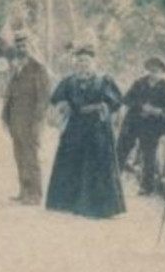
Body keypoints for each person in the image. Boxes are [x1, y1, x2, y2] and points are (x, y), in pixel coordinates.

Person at [45, 45, 126, 219]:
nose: (83, 65)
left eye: (87, 62)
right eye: (80, 61)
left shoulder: (104, 80)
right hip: (75, 127)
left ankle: (99, 207)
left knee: (96, 164)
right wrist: (62, 108)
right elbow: (56, 99)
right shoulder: (70, 81)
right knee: (70, 161)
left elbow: (116, 102)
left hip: (97, 128)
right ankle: (68, 202)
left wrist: (101, 106)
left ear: (94, 63)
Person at [1, 32, 52, 204]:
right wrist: (5, 116)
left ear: (31, 46)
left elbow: (43, 99)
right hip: (15, 120)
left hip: (31, 121)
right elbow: (10, 94)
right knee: (20, 156)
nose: (22, 48)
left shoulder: (39, 68)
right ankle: (24, 191)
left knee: (31, 157)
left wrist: (37, 122)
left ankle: (35, 194)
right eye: (19, 45)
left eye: (25, 45)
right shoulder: (16, 66)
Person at [117, 56, 165, 195]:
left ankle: (147, 186)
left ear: (162, 72)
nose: (153, 74)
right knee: (121, 149)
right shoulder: (139, 83)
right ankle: (113, 180)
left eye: (157, 71)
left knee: (149, 154)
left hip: (152, 126)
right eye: (151, 70)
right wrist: (141, 106)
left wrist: (159, 111)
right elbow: (126, 99)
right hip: (133, 122)